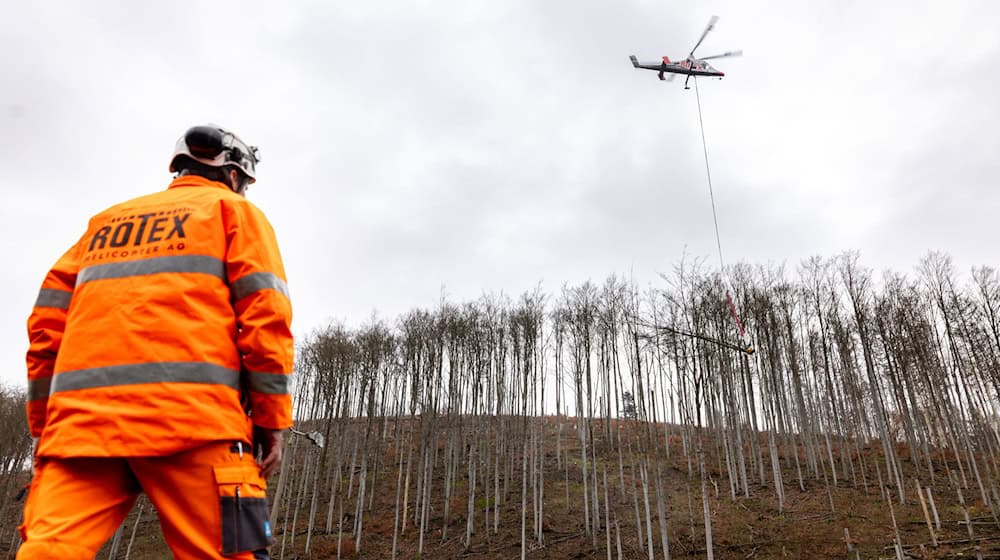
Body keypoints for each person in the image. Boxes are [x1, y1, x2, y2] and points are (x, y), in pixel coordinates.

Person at [19, 125, 294, 559]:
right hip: (193, 424)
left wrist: (44, 429)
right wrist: (271, 421)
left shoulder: (103, 223)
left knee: (48, 552)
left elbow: (44, 328)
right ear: (235, 175)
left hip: (81, 432)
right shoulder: (234, 212)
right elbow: (266, 320)